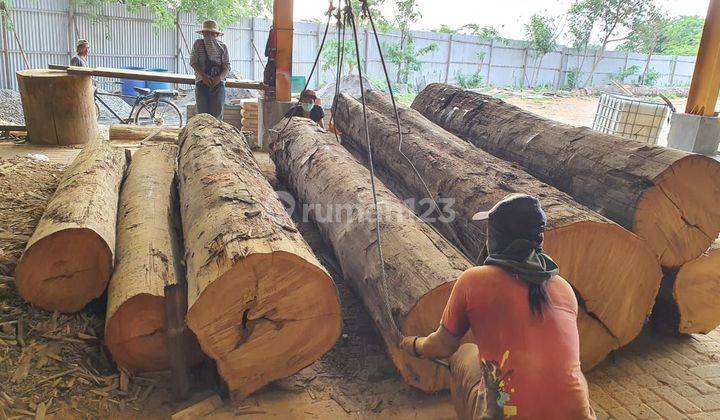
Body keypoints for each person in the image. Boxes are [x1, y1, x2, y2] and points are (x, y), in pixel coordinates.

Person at [399, 194, 595, 420]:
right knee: (574, 374)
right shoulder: (563, 287)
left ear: (497, 238)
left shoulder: (473, 280)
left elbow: (441, 347)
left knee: (464, 354)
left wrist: (412, 344)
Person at [190, 20, 231, 119]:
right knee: (203, 117)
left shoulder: (223, 47)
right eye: (207, 33)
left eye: (212, 33)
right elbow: (193, 62)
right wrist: (203, 76)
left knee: (216, 118)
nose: (209, 36)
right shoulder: (198, 44)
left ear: (216, 34)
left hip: (218, 85)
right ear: (203, 33)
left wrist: (219, 78)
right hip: (201, 83)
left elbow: (227, 66)